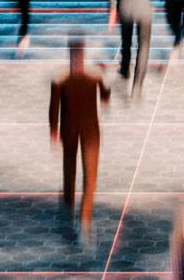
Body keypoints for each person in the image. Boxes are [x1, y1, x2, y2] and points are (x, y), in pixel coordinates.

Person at [49, 40, 110, 244]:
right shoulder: (94, 76)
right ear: (83, 56)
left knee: (70, 173)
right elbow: (105, 97)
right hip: (91, 133)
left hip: (69, 131)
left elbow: (53, 108)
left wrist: (54, 132)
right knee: (90, 178)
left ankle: (69, 210)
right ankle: (84, 222)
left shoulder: (60, 79)